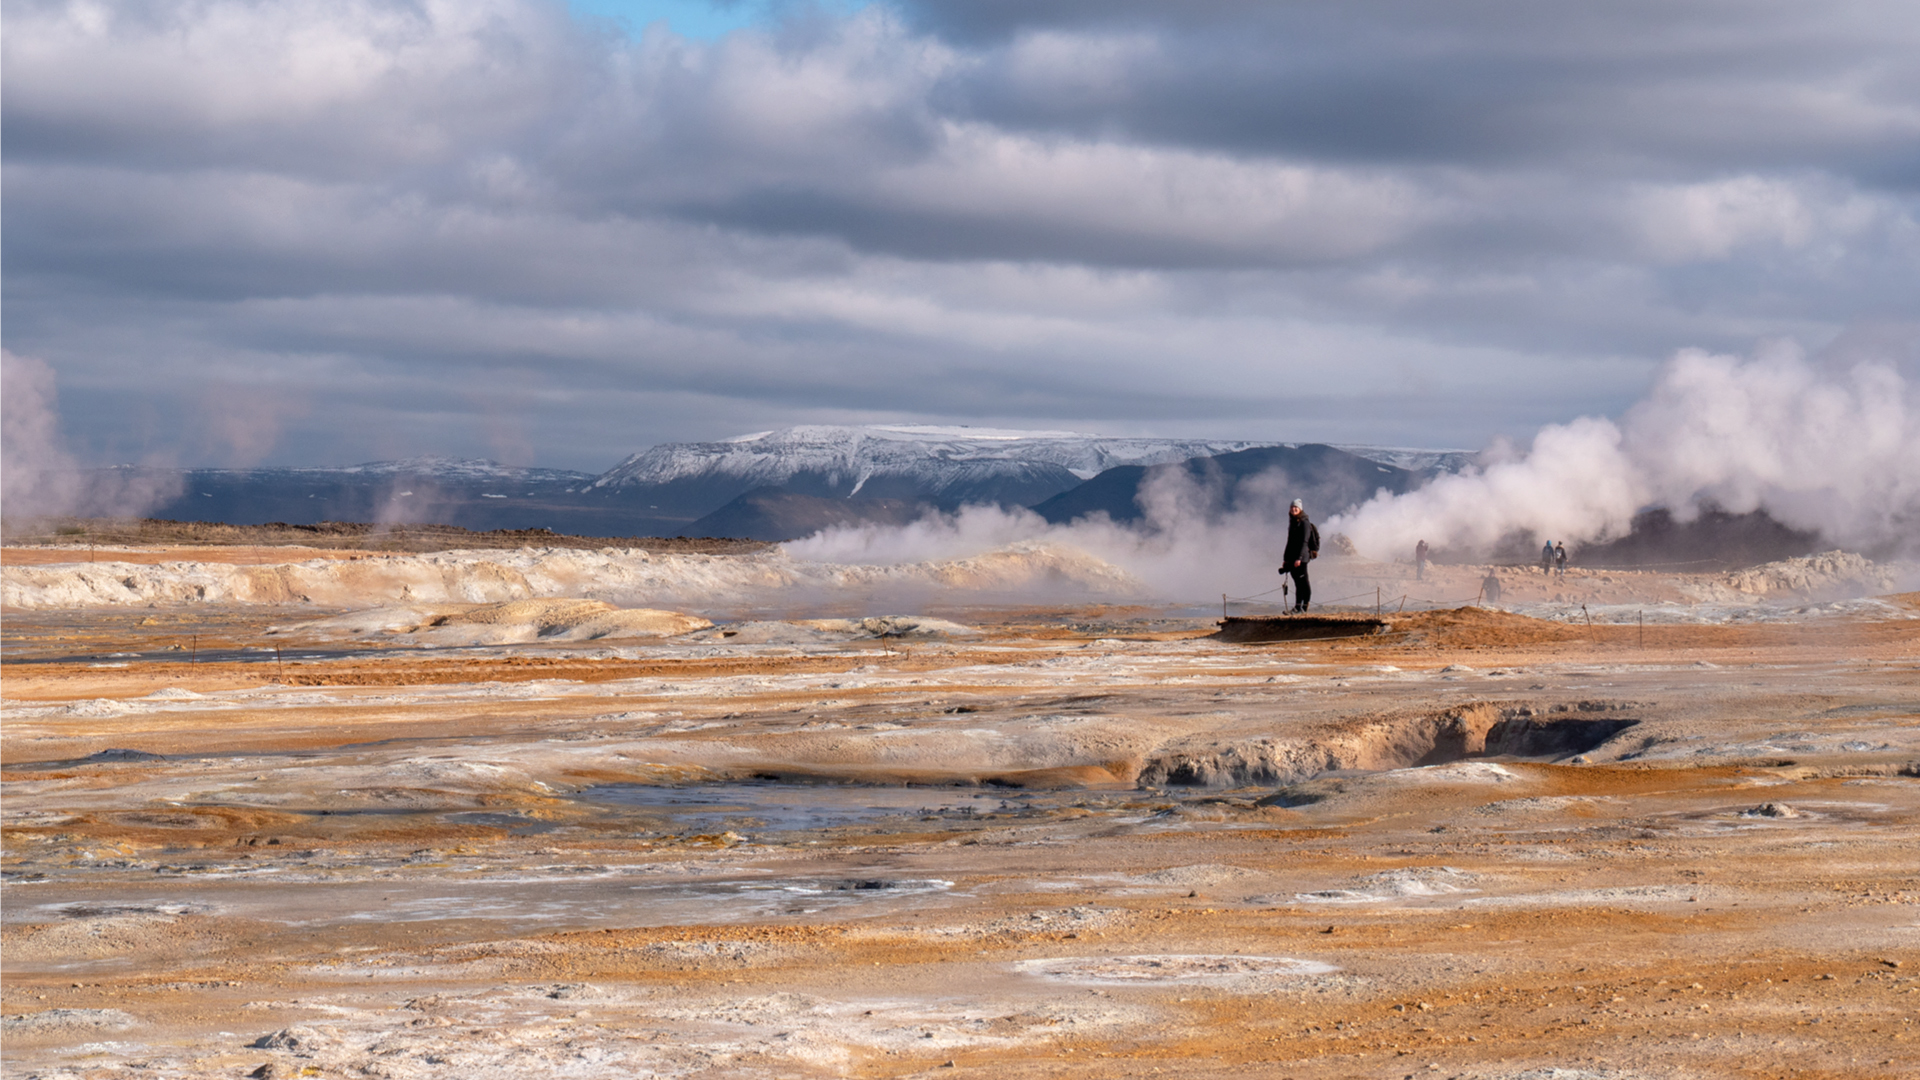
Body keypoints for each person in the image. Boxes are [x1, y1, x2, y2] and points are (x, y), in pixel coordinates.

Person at [1281, 498, 1320, 612]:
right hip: (1293, 558)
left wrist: (1300, 558)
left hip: (1302, 558)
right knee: (1297, 583)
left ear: (1300, 509)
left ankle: (1304, 606)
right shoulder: (1293, 522)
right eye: (1292, 507)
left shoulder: (1304, 523)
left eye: (1296, 507)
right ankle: (1297, 607)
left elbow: (1304, 541)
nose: (1293, 509)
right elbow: (1289, 542)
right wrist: (1286, 559)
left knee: (1303, 582)